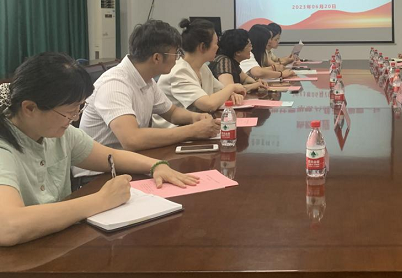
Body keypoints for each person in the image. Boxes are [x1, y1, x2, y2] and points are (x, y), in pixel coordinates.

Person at [0, 53, 198, 246]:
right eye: (69, 112)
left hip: (55, 242)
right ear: (29, 108)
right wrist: (102, 199)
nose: (75, 118)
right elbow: (8, 226)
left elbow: (111, 156)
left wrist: (156, 165)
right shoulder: (5, 147)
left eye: (79, 108)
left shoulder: (59, 134)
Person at [75, 20, 220, 182]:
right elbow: (132, 139)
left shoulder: (146, 79)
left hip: (130, 163)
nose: (178, 59)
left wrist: (195, 118)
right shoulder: (114, 84)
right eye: (176, 54)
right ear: (157, 58)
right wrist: (192, 131)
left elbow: (172, 113)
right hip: (98, 175)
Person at [152, 19, 246, 128]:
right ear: (202, 47)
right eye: (216, 43)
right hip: (174, 132)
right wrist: (232, 87)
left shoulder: (202, 67)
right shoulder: (179, 71)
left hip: (194, 127)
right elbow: (209, 104)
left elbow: (220, 90)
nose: (218, 47)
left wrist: (231, 94)